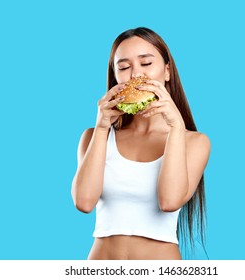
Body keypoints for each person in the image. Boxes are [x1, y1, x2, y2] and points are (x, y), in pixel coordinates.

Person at [71, 27, 211, 260]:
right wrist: (102, 128)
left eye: (146, 64)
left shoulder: (194, 142)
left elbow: (169, 201)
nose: (136, 75)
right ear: (115, 76)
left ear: (167, 71)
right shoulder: (94, 137)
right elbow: (84, 202)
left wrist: (176, 127)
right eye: (124, 67)